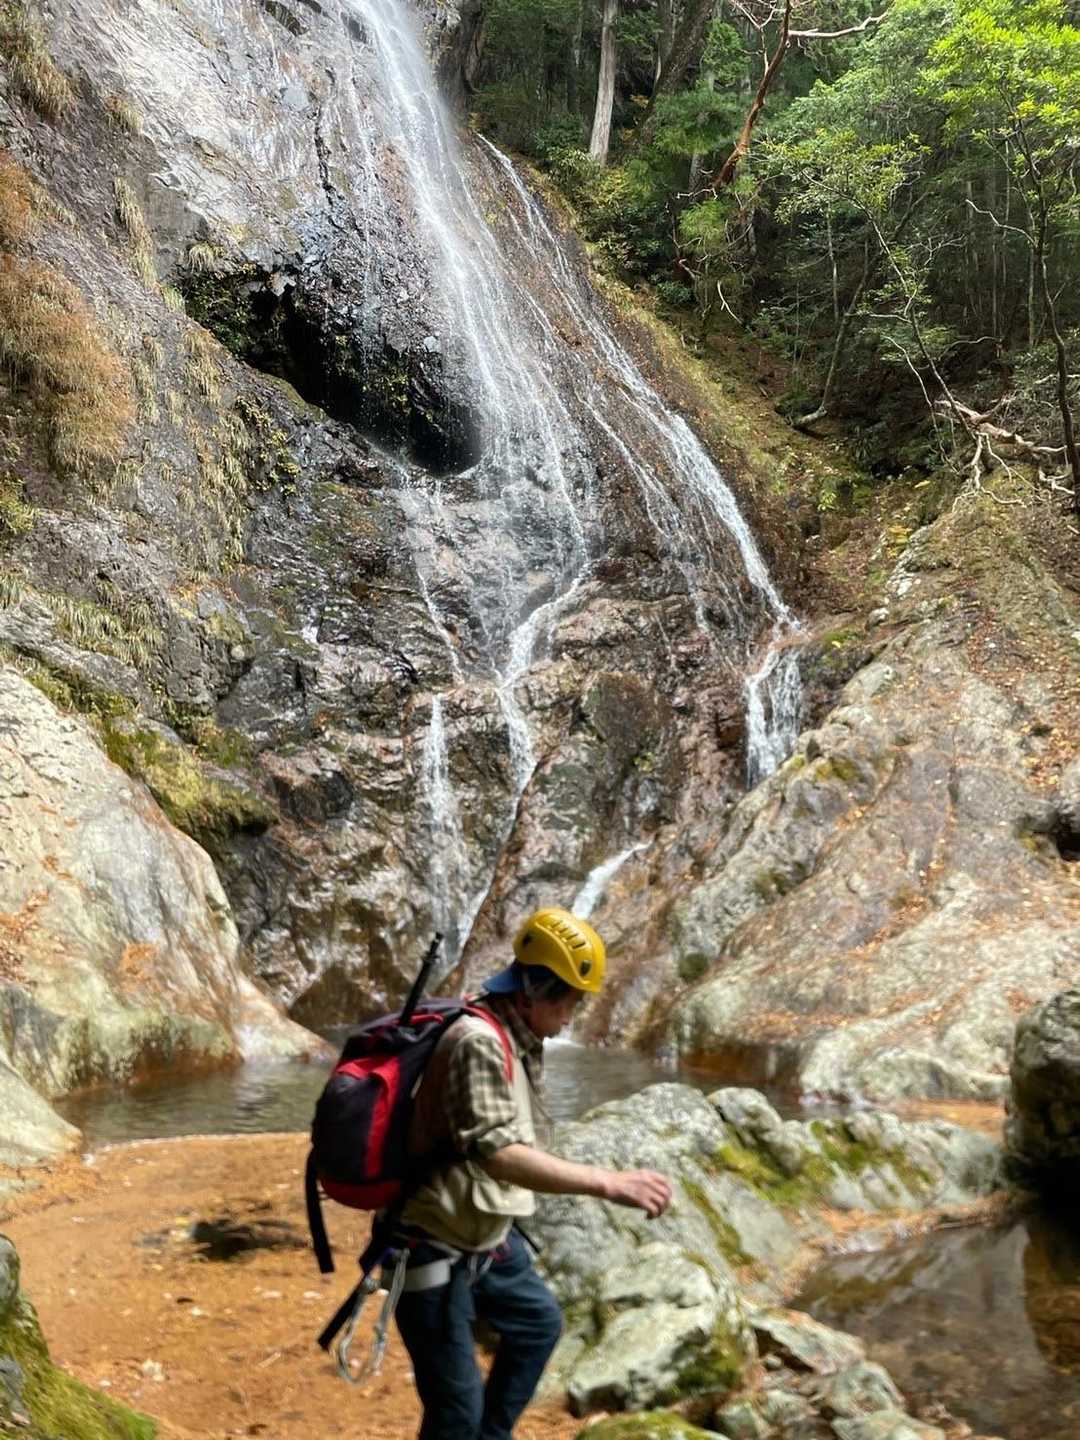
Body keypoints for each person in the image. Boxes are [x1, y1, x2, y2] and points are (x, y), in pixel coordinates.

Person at [390, 905, 673, 1440]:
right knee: (456, 1414)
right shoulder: (478, 1041)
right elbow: (497, 1153)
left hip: (483, 1234)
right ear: (531, 992)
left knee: (538, 1325)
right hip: (429, 1244)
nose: (572, 1017)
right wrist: (608, 1183)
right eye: (569, 1002)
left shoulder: (514, 1035)